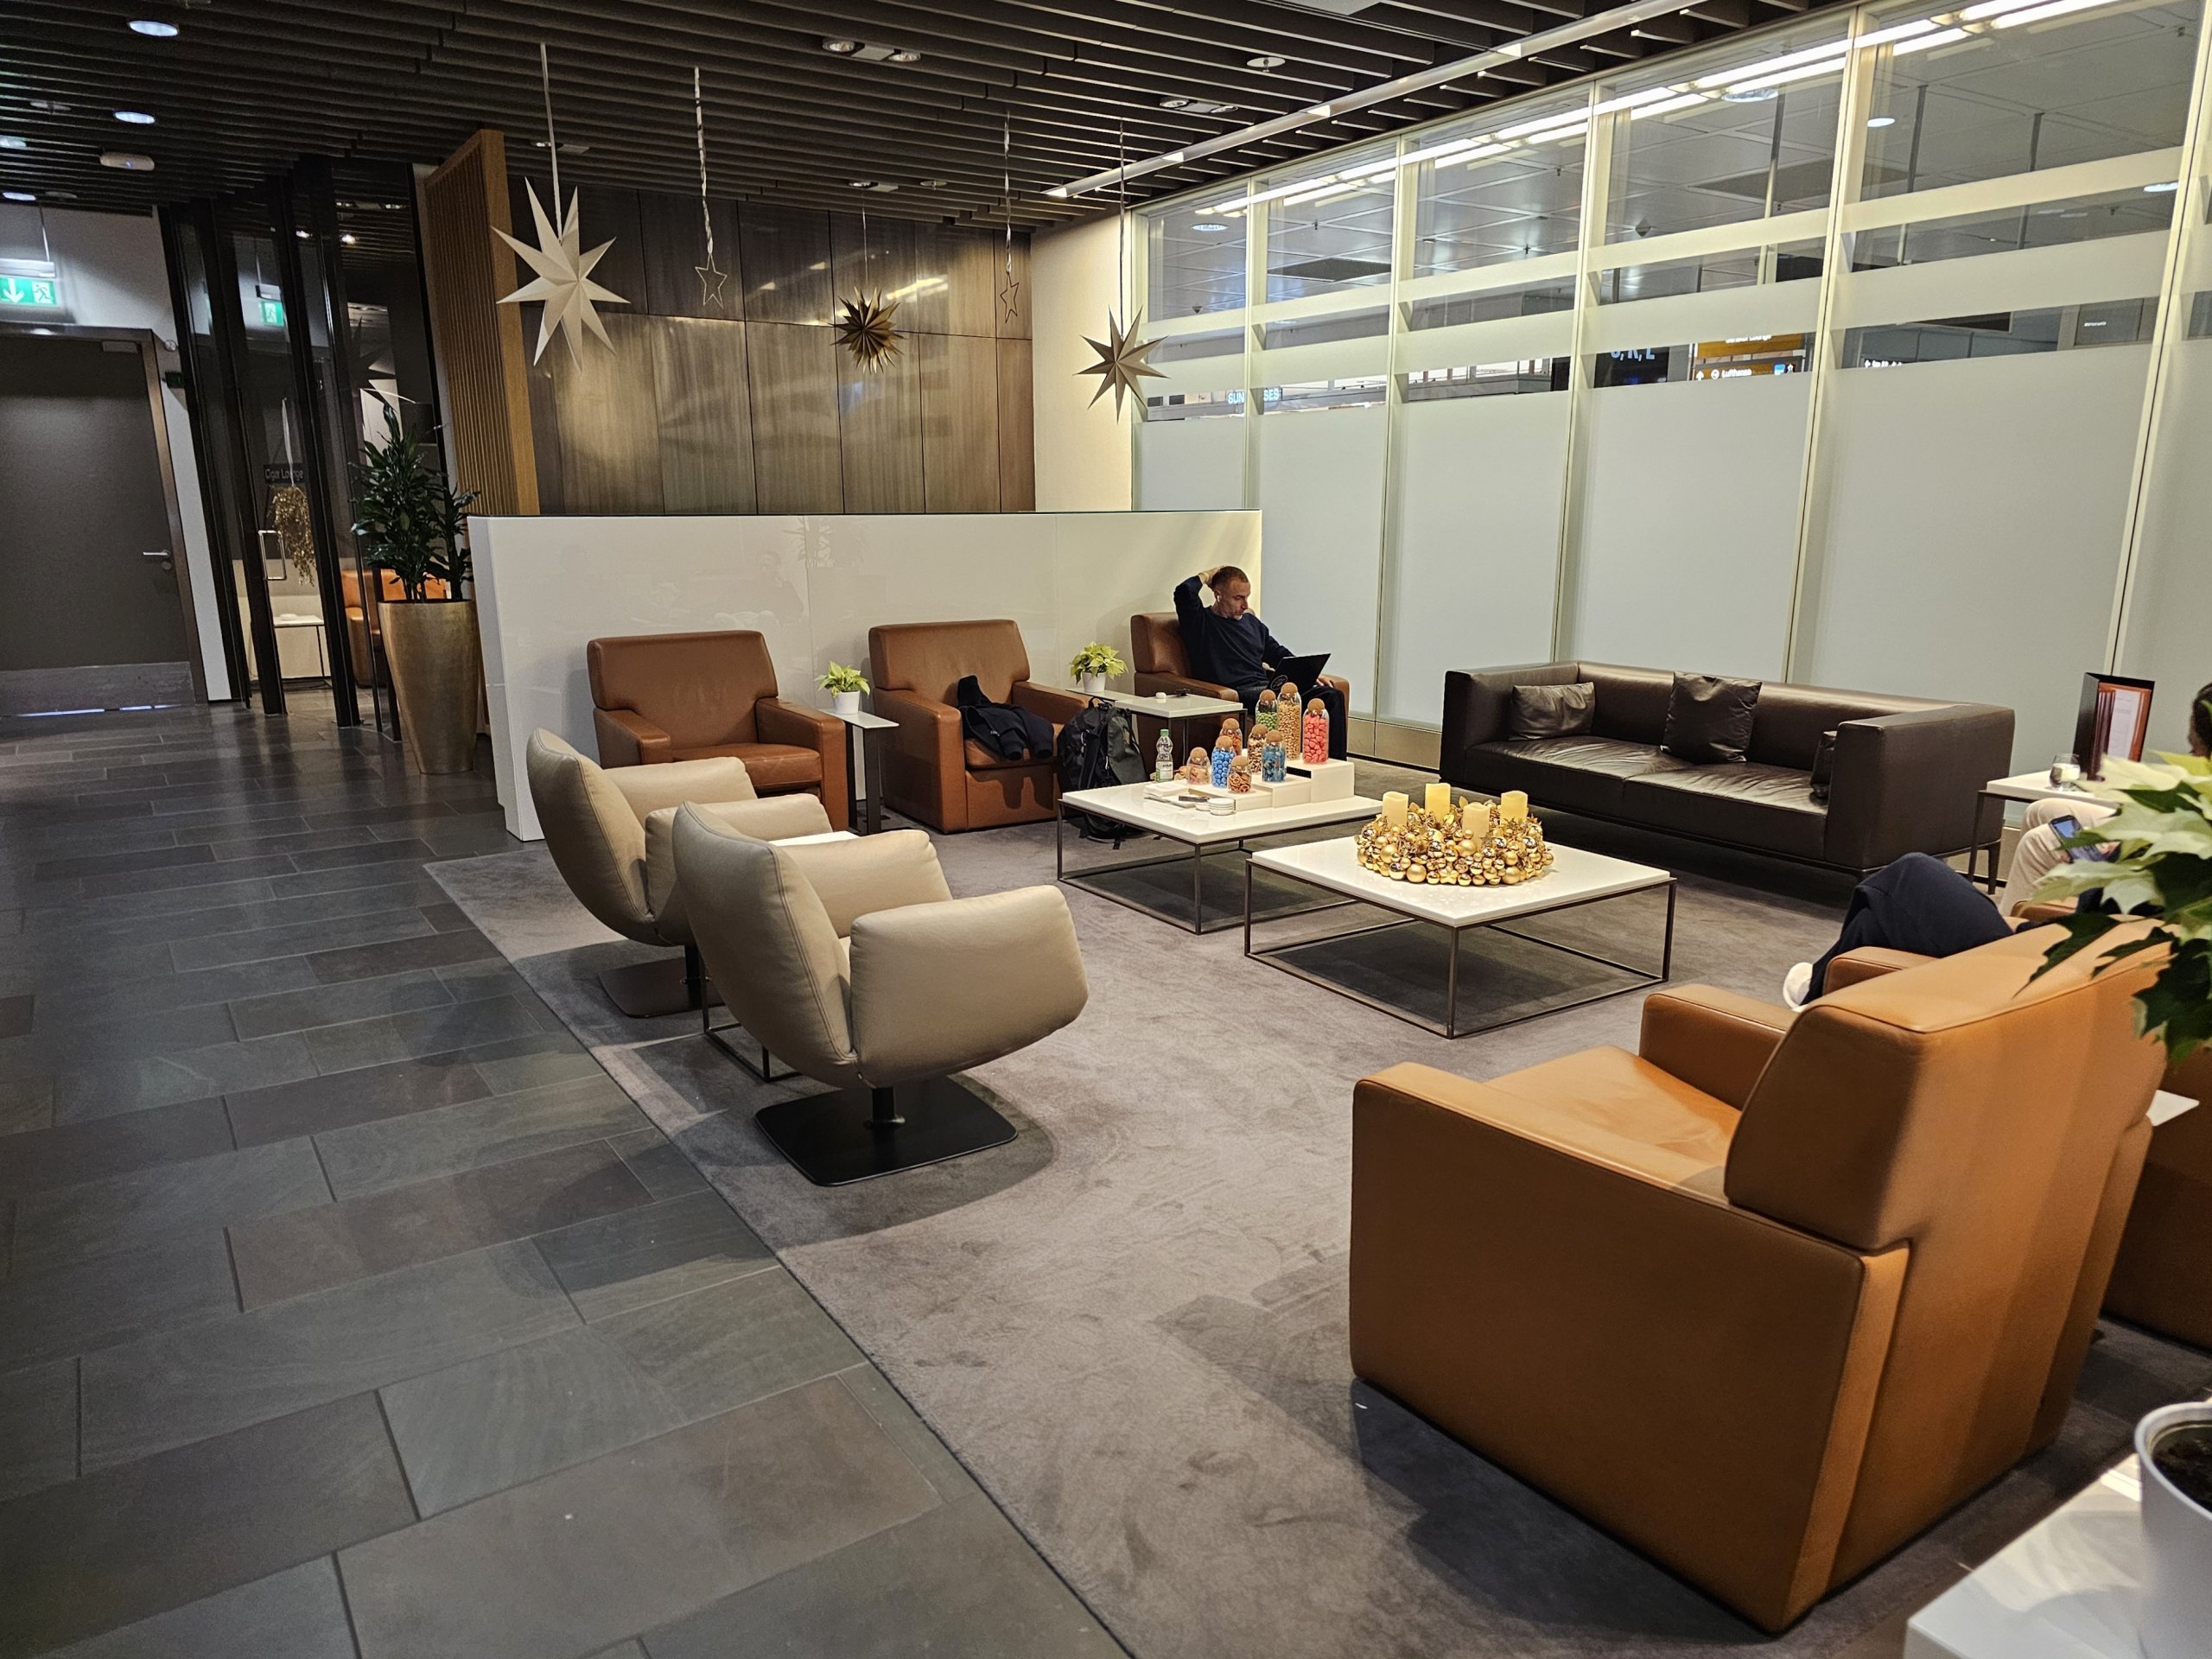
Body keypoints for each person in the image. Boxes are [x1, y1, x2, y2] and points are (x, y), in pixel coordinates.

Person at [1785, 680, 2212, 1007]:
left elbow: (2109, 911)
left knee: (1908, 875)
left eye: (2194, 751)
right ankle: (1823, 993)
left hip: (2043, 968)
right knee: (1873, 921)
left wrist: (2104, 866)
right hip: (2064, 950)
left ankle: (1816, 991)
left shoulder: (2183, 834)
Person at [1172, 566, 1347, 759]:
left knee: (1331, 695)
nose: (1245, 605)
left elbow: (1278, 654)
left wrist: (1309, 672)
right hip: (1238, 691)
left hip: (1267, 686)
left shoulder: (1252, 623)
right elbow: (1184, 591)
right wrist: (1208, 575)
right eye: (1238, 598)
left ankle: (1336, 764)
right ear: (1218, 595)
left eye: (1247, 597)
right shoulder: (1200, 623)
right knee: (1275, 699)